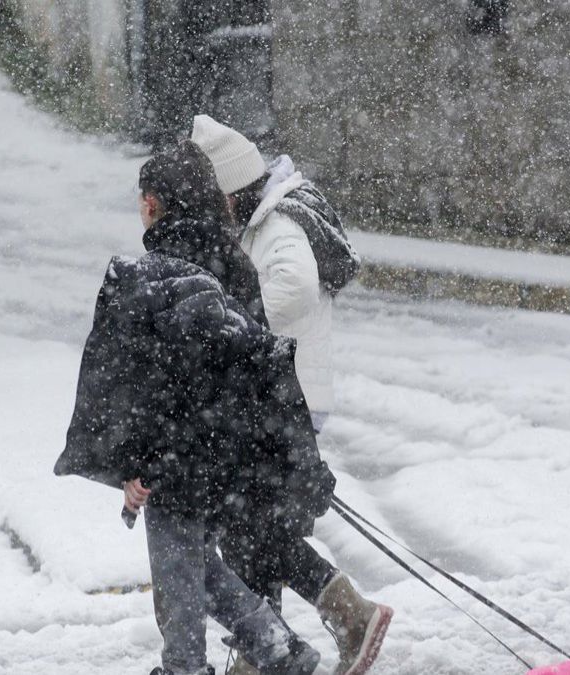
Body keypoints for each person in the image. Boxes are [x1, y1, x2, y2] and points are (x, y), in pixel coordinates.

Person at [54, 141, 334, 675]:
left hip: (179, 456)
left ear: (155, 203)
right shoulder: (232, 262)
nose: (140, 208)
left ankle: (189, 666)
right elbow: (244, 369)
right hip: (221, 453)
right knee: (196, 563)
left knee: (177, 569)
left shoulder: (161, 276)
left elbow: (155, 390)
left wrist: (144, 464)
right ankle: (278, 648)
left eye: (143, 198)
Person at [191, 116, 391, 675]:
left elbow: (297, 288)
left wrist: (236, 323)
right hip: (281, 397)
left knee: (249, 524)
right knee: (256, 525)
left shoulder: (277, 225)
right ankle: (278, 646)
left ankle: (318, 626)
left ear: (231, 190)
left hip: (285, 399)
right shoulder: (263, 220)